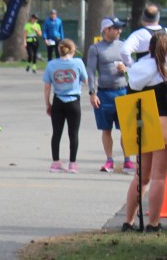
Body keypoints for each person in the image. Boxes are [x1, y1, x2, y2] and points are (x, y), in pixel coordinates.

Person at [122, 29, 167, 232]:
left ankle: (128, 221)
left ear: (148, 49)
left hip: (142, 124)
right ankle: (153, 223)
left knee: (141, 176)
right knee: (159, 177)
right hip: (165, 125)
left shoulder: (136, 71)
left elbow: (130, 99)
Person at [86, 16, 132, 173]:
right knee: (106, 129)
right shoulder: (96, 48)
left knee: (126, 128)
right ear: (106, 30)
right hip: (104, 93)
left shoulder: (123, 46)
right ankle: (109, 160)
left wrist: (126, 69)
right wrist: (92, 93)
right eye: (116, 28)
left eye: (120, 28)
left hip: (122, 91)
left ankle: (127, 160)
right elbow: (91, 72)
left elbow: (132, 65)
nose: (119, 31)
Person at [43, 38, 89, 172]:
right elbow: (85, 80)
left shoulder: (51, 64)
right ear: (73, 50)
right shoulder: (78, 62)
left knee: (56, 133)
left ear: (59, 50)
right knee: (73, 133)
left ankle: (55, 162)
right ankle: (72, 163)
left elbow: (47, 86)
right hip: (73, 101)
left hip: (58, 101)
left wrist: (48, 103)